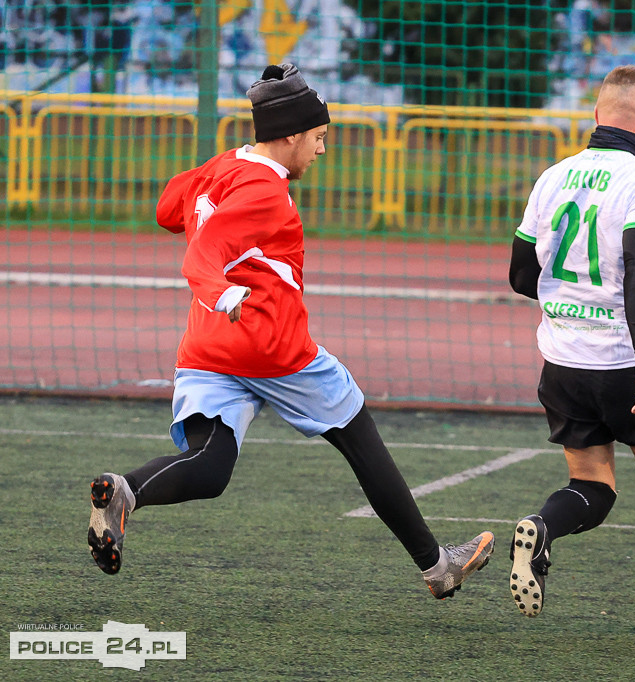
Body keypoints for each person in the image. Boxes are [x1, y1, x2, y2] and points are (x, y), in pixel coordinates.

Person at [87, 63, 495, 599]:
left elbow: (168, 208)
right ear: (291, 134)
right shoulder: (265, 192)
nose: (322, 150)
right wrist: (223, 287)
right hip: (273, 346)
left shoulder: (228, 166)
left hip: (208, 344)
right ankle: (437, 566)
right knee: (358, 436)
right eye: (319, 138)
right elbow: (202, 254)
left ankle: (126, 491)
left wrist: (206, 201)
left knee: (210, 467)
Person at [507, 65, 635, 635]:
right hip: (633, 364)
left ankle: (542, 527)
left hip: (565, 364)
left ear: (598, 115)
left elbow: (521, 276)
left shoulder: (553, 177)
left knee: (591, 488)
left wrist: (572, 299)